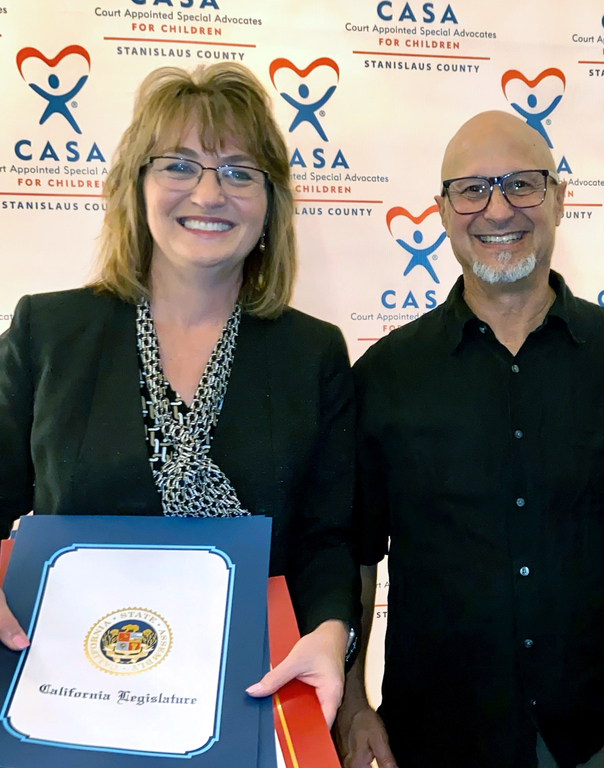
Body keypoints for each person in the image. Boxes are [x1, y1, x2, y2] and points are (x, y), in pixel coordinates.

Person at [0, 63, 360, 725]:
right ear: (134, 184)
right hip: (67, 696)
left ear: (270, 202)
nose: (209, 192)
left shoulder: (312, 353)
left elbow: (325, 540)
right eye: (179, 165)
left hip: (247, 695)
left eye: (239, 171)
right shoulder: (48, 332)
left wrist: (334, 631)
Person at [336, 111, 604, 768]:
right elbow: (355, 561)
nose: (497, 209)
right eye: (472, 190)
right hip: (434, 740)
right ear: (441, 209)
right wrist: (353, 704)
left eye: (522, 185)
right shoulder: (384, 377)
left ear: (558, 198)